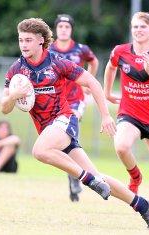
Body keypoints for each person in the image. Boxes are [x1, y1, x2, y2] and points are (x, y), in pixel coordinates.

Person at [0, 17, 149, 229]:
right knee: (98, 177)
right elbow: (4, 108)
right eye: (21, 40)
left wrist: (105, 115)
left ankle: (85, 180)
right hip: (48, 130)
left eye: (28, 40)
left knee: (39, 151)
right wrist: (13, 96)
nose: (23, 45)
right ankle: (142, 205)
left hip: (64, 120)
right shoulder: (16, 70)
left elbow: (92, 82)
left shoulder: (57, 62)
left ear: (40, 41)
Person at [104, 12, 149, 221]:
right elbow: (110, 67)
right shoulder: (120, 51)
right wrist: (107, 92)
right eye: (135, 27)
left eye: (143, 27)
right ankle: (135, 176)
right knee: (121, 146)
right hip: (130, 113)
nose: (138, 30)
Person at [49, 14, 99, 202]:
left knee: (71, 134)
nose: (63, 29)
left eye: (67, 26)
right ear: (55, 29)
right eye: (60, 26)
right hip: (55, 102)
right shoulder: (48, 49)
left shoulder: (80, 49)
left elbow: (93, 62)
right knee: (64, 143)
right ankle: (74, 176)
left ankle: (76, 177)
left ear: (71, 30)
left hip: (76, 101)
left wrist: (88, 82)